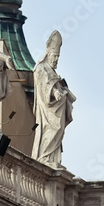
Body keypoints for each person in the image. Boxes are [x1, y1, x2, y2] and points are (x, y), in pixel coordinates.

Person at [31, 31, 75, 168]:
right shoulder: (41, 68)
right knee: (51, 128)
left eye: (58, 57)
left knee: (59, 129)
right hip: (47, 110)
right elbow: (44, 84)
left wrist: (64, 92)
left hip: (57, 108)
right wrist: (55, 92)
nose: (56, 59)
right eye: (55, 56)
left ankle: (52, 158)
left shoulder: (53, 71)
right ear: (48, 54)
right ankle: (44, 157)